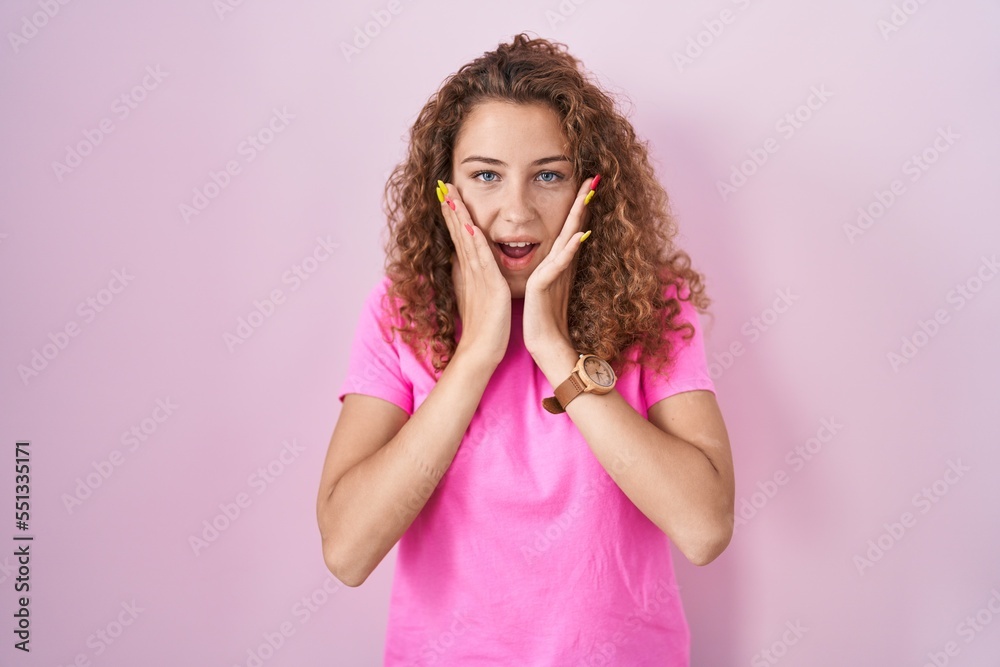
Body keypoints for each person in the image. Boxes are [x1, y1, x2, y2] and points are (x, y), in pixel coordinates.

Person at [316, 32, 735, 666]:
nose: (516, 211)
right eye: (486, 175)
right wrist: (477, 353)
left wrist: (553, 348)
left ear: (589, 188)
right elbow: (347, 551)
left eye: (548, 176)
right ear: (445, 190)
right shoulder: (399, 313)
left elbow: (704, 530)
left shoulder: (654, 304)